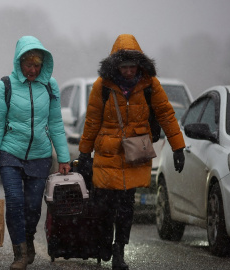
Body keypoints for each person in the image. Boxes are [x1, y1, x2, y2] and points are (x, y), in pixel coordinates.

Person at [76, 34, 186, 270]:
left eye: (132, 66)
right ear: (115, 66)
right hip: (107, 154)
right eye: (124, 67)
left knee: (126, 207)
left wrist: (178, 146)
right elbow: (92, 121)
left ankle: (119, 250)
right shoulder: (102, 86)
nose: (128, 72)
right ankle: (105, 240)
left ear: (139, 65)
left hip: (135, 154)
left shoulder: (150, 85)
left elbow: (166, 114)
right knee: (105, 205)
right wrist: (84, 154)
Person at [0, 36, 71, 270]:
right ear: (19, 62)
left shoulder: (50, 86)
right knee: (14, 201)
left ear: (43, 65)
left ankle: (28, 237)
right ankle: (19, 253)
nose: (32, 70)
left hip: (40, 155)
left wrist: (64, 158)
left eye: (37, 65)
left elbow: (56, 123)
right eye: (28, 65)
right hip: (10, 153)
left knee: (33, 207)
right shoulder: (4, 86)